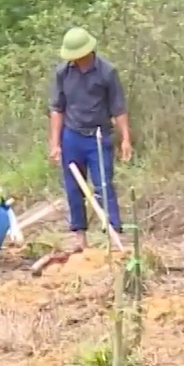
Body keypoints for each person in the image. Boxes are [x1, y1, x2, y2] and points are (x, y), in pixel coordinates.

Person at [48, 27, 132, 252]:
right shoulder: (62, 73)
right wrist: (55, 142)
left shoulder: (107, 72)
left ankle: (113, 232)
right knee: (73, 187)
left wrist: (125, 139)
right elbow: (57, 108)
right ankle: (79, 236)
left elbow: (118, 107)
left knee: (103, 185)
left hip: (98, 136)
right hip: (71, 135)